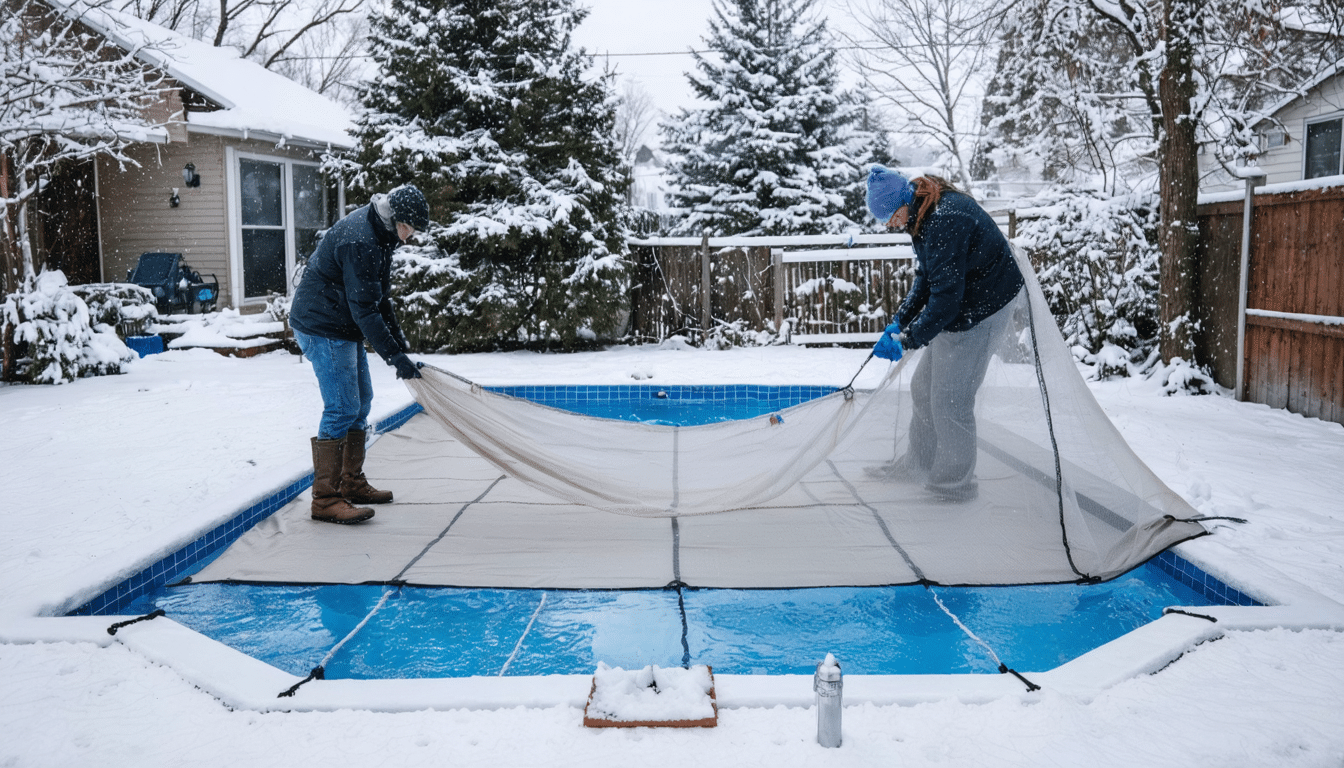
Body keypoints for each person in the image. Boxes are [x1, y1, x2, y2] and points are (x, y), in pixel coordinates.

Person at [864, 166, 1025, 502]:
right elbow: (928, 276)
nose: (890, 224)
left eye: (891, 216)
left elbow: (945, 301)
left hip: (984, 307)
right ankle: (918, 465)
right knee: (924, 388)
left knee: (951, 401)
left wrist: (907, 341)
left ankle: (955, 484)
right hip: (962, 301)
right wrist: (900, 319)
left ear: (903, 202)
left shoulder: (945, 220)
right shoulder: (922, 215)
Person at [289, 184, 429, 524]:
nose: (409, 237)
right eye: (408, 228)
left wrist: (401, 348)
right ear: (396, 218)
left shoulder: (381, 233)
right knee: (342, 407)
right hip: (322, 325)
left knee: (361, 402)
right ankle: (325, 499)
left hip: (341, 322)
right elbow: (366, 310)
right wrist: (394, 358)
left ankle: (350, 483)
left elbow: (380, 298)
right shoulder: (361, 240)